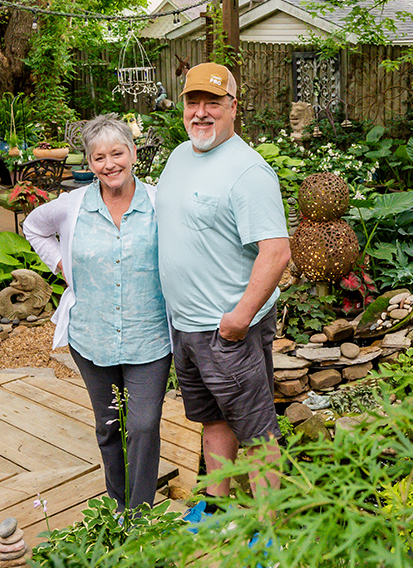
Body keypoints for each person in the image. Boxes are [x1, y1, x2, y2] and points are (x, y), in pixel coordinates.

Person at [156, 62, 291, 501]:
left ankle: (269, 531)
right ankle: (217, 509)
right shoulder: (179, 156)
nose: (201, 112)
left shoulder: (248, 172)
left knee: (256, 432)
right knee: (211, 420)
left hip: (227, 331)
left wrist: (239, 319)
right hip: (186, 326)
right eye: (193, 102)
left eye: (212, 102)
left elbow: (276, 252)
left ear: (233, 107)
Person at [25, 114, 168, 510]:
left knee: (142, 425)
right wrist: (62, 265)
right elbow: (33, 228)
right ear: (89, 163)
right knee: (108, 425)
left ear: (133, 153)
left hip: (150, 337)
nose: (110, 164)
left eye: (117, 153)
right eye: (99, 157)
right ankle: (117, 504)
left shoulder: (160, 204)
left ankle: (139, 514)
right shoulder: (72, 207)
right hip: (91, 335)